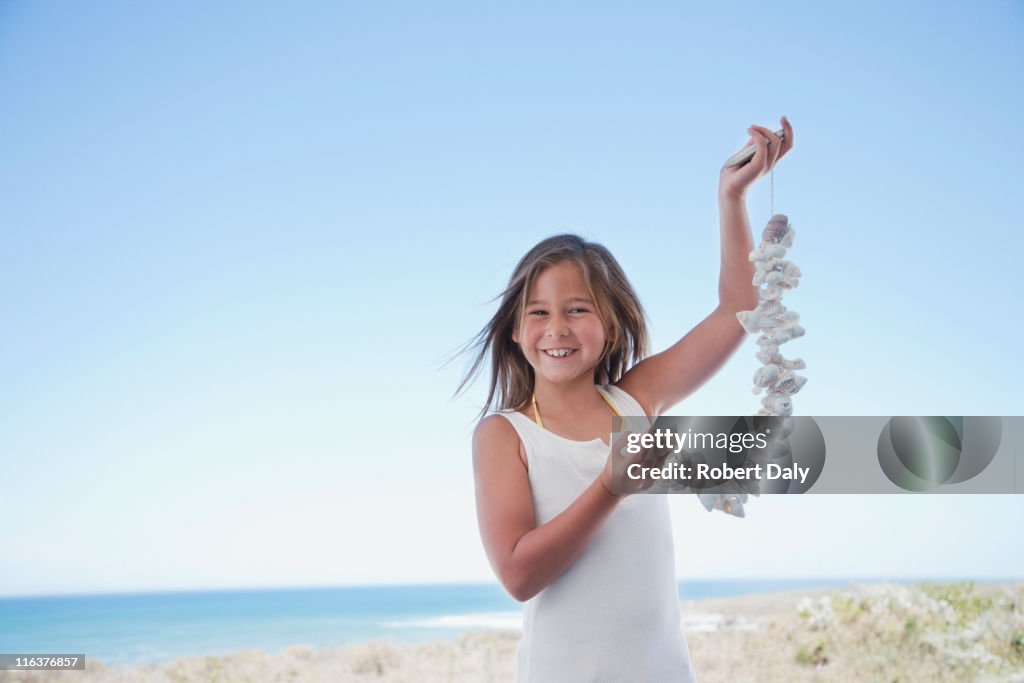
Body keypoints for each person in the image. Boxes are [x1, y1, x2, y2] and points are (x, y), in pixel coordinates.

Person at [455, 118, 794, 682]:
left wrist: (732, 196)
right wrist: (613, 484)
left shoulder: (635, 400)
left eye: (578, 309)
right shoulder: (506, 434)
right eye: (537, 312)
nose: (556, 327)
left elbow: (739, 310)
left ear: (610, 328)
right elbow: (518, 575)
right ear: (515, 331)